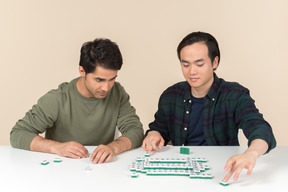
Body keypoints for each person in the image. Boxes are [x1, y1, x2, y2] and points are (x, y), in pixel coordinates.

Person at [142, 31, 276, 182]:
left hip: (221, 171)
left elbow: (260, 128)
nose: (191, 71)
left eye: (199, 64)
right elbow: (159, 129)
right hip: (181, 172)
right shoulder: (171, 95)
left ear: (215, 62)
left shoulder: (234, 95)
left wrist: (251, 153)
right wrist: (154, 133)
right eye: (185, 64)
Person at [10, 38, 144, 164]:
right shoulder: (57, 99)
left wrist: (113, 148)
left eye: (112, 79)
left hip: (100, 168)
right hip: (59, 169)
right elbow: (18, 134)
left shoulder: (117, 92)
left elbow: (135, 130)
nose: (106, 87)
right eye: (99, 80)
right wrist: (57, 147)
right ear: (82, 71)